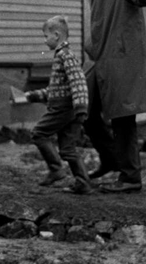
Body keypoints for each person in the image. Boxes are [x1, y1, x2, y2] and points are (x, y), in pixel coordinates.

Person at [71, 0, 146, 192]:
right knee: (84, 110)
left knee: (122, 117)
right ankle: (110, 160)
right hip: (98, 57)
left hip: (122, 58)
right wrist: (90, 46)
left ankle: (130, 177)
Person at [24, 15, 94, 194]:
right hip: (69, 108)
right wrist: (33, 96)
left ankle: (56, 169)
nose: (44, 40)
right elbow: (55, 90)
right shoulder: (63, 56)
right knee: (68, 148)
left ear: (56, 35)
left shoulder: (65, 55)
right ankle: (83, 183)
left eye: (45, 36)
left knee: (38, 133)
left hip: (63, 109)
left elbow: (78, 81)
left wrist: (81, 108)